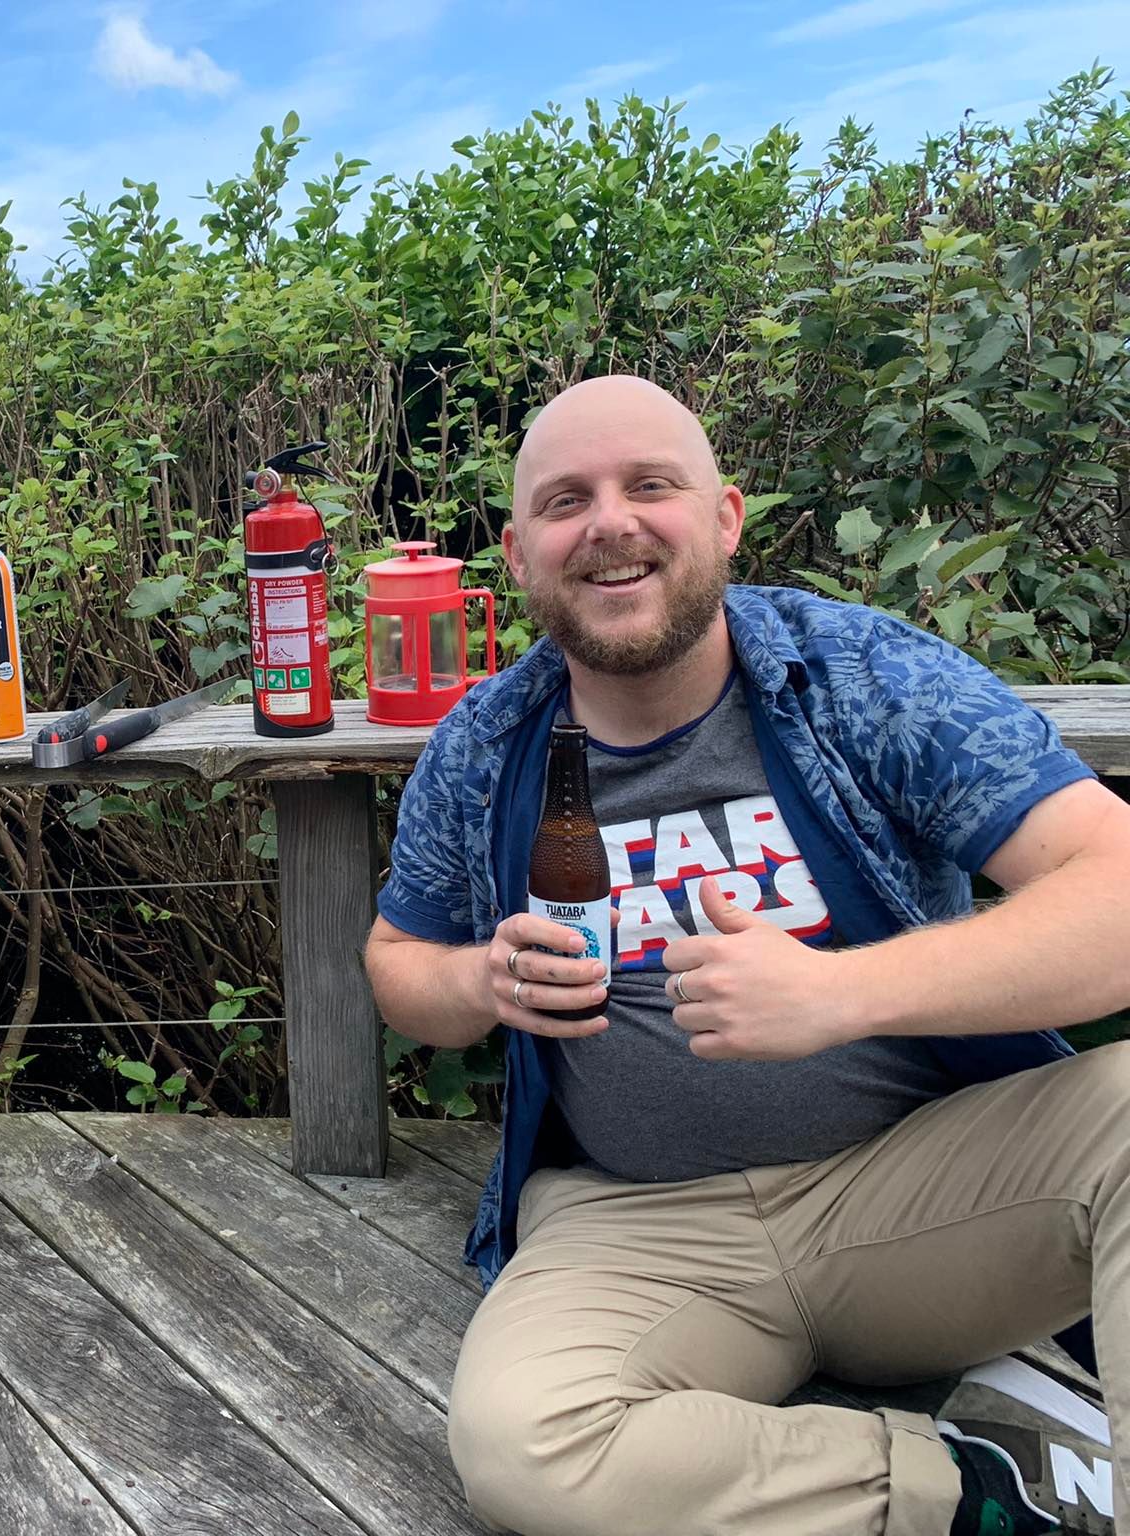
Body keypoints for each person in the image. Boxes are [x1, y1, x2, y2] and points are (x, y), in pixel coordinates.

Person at [366, 376, 1130, 1536]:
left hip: (913, 1191)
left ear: (722, 518)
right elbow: (395, 958)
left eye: (648, 486)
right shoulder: (484, 742)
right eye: (565, 502)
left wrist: (838, 993)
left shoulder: (860, 677)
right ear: (519, 555)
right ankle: (984, 1486)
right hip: (635, 1228)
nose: (609, 523)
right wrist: (478, 984)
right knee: (525, 1450)